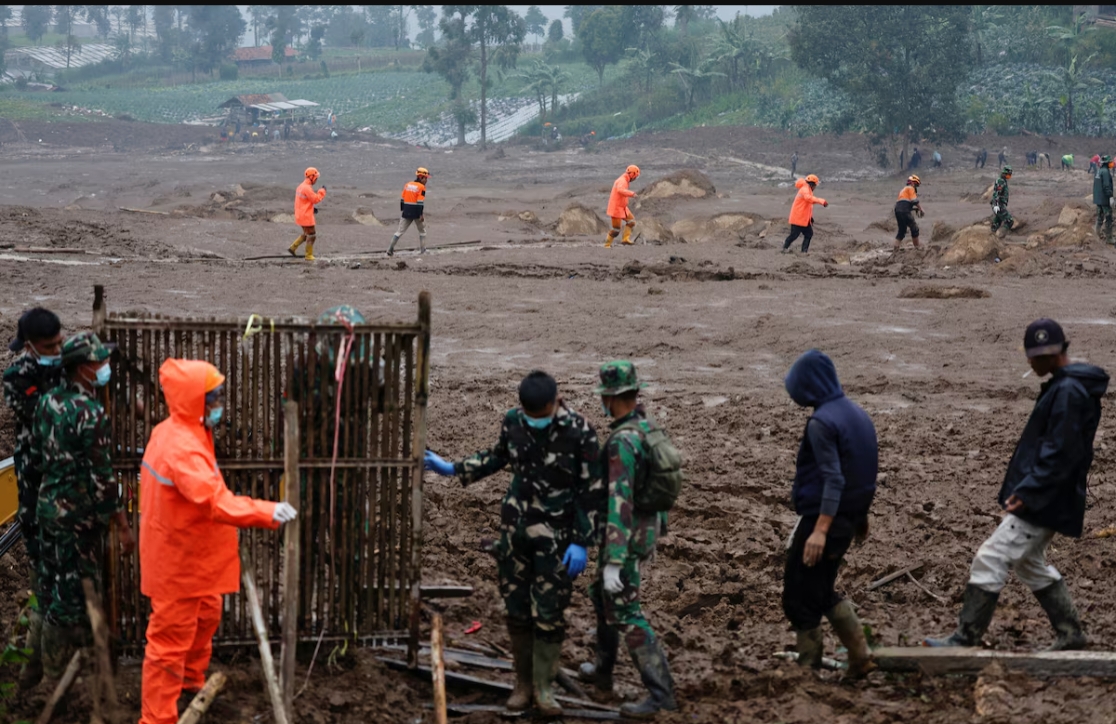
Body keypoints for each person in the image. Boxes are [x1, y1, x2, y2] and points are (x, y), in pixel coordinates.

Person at [423, 371, 602, 716]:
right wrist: (453, 468)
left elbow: (591, 490)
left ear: (554, 402)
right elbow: (497, 456)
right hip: (515, 533)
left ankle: (544, 689)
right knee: (516, 610)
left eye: (539, 416)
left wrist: (582, 541)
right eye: (528, 416)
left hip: (557, 539)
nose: (533, 422)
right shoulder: (514, 421)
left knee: (549, 614)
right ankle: (522, 685)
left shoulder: (579, 432)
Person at [925, 319, 1108, 651]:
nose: (1030, 362)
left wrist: (1028, 492)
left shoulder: (1068, 391)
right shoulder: (1067, 386)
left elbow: (1059, 453)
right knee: (1029, 563)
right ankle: (1071, 633)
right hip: (1052, 494)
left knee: (991, 556)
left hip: (1045, 497)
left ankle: (966, 638)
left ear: (1052, 355)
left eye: (1035, 357)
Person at [138, 359, 296, 724]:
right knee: (168, 643)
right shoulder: (181, 447)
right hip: (177, 564)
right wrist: (268, 511)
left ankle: (190, 681)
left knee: (206, 615)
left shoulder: (186, 431)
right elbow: (215, 500)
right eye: (214, 397)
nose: (220, 404)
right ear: (195, 400)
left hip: (191, 555)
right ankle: (156, 718)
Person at [31, 332, 135, 678]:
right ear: (84, 368)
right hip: (76, 520)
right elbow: (103, 479)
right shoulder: (91, 413)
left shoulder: (47, 402)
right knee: (70, 601)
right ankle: (55, 679)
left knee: (49, 587)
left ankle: (34, 670)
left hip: (48, 510)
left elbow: (36, 455)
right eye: (100, 360)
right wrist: (122, 526)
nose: (106, 365)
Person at [581, 361, 680, 718]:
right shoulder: (647, 428)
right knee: (600, 594)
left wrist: (614, 561)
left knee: (626, 611)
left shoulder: (622, 442)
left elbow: (619, 502)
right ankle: (603, 670)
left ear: (610, 398)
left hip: (624, 538)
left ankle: (661, 694)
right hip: (644, 529)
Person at [783, 349, 878, 678]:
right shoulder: (857, 414)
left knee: (797, 596)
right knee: (821, 591)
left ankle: (807, 669)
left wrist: (819, 530)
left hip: (823, 520)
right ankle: (860, 657)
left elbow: (834, 478)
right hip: (846, 520)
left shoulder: (821, 423)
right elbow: (863, 471)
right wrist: (860, 517)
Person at [3, 308, 64, 688]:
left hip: (66, 487)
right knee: (44, 577)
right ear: (29, 347)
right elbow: (50, 414)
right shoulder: (17, 378)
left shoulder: (63, 364)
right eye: (50, 347)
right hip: (37, 488)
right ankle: (35, 667)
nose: (58, 351)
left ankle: (40, 663)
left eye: (60, 344)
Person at [388, 167, 430, 256]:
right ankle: (423, 250)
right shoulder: (422, 187)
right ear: (421, 177)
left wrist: (403, 210)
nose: (426, 181)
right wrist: (420, 214)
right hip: (416, 212)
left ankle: (390, 249)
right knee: (422, 231)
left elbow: (402, 199)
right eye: (426, 178)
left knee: (399, 232)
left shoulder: (407, 185)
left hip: (406, 211)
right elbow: (420, 202)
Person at [781, 174, 828, 254]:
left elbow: (807, 206)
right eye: (815, 185)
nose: (815, 187)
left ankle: (803, 252)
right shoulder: (805, 189)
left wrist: (810, 218)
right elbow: (808, 199)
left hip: (803, 218)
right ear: (812, 184)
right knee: (794, 235)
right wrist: (822, 201)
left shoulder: (807, 189)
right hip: (798, 218)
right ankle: (785, 248)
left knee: (808, 234)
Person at [288, 167, 327, 261]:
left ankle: (293, 247)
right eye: (316, 178)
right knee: (312, 235)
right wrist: (322, 191)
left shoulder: (301, 186)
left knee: (306, 234)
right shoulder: (307, 188)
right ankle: (308, 255)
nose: (316, 180)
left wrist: (312, 208)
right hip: (306, 216)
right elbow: (315, 199)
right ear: (312, 177)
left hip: (300, 215)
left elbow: (303, 202)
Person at [605, 165, 640, 248]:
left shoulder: (625, 180)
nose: (635, 179)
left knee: (631, 222)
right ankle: (607, 244)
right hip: (616, 208)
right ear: (632, 174)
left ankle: (625, 239)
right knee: (616, 230)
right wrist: (632, 194)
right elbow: (620, 190)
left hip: (622, 207)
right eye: (635, 177)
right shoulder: (622, 181)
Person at [893, 175, 923, 250]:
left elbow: (903, 203)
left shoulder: (903, 190)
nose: (916, 187)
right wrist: (921, 209)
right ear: (912, 183)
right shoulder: (911, 188)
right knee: (914, 228)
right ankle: (917, 248)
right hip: (904, 210)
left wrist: (914, 209)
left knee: (902, 230)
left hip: (898, 210)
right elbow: (914, 200)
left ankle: (896, 248)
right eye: (916, 185)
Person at [1094, 154, 1114, 244]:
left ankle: (1096, 235)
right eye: (1110, 162)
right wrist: (1110, 197)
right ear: (1106, 163)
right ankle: (1109, 238)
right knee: (1108, 218)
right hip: (1104, 199)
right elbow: (1106, 186)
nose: (1111, 164)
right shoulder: (1105, 172)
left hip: (1098, 199)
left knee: (1099, 218)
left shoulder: (1099, 171)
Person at [990, 166, 1016, 234]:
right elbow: (997, 193)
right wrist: (996, 204)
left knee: (997, 221)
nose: (1009, 176)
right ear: (1004, 173)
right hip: (999, 204)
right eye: (1008, 175)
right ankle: (1001, 234)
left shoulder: (1003, 180)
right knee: (1009, 221)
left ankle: (992, 234)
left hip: (1000, 204)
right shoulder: (1001, 181)